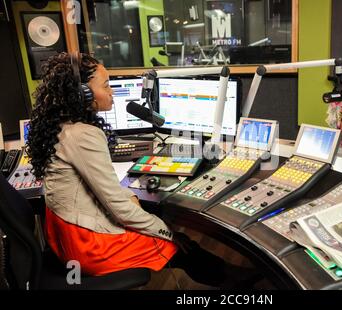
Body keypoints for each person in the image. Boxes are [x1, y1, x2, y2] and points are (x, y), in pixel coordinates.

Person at [26, 52, 260, 288]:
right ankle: (237, 283)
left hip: (63, 237)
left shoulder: (61, 124)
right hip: (90, 246)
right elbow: (119, 208)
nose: (111, 91)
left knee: (162, 226)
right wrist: (167, 231)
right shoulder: (83, 135)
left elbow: (102, 190)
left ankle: (231, 275)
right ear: (82, 94)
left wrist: (131, 199)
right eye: (106, 85)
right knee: (181, 245)